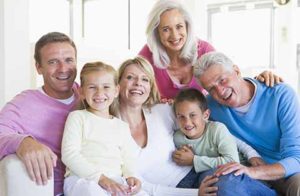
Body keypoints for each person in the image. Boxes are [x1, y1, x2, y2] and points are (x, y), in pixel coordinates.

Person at [117, 56, 276, 196]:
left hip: (201, 173)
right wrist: (194, 194)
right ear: (117, 84)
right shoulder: (110, 131)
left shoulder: (162, 111)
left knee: (226, 181)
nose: (138, 83)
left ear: (150, 86)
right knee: (223, 188)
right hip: (172, 191)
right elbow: (139, 185)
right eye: (130, 77)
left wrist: (251, 153)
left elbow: (212, 127)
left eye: (145, 79)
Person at [194, 51, 300, 196]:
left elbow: (296, 158)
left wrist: (254, 172)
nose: (220, 91)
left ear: (236, 71)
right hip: (250, 175)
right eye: (211, 89)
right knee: (221, 183)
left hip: (286, 172)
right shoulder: (210, 107)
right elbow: (185, 113)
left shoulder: (281, 95)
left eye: (222, 80)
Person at [139, 0, 281, 102]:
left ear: (187, 26)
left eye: (179, 26)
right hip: (166, 121)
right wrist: (156, 103)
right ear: (156, 32)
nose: (175, 35)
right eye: (165, 29)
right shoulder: (147, 54)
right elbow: (133, 84)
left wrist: (259, 82)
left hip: (203, 121)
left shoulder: (204, 49)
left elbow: (230, 79)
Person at [0, 32, 79, 196]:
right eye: (53, 62)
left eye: (69, 60)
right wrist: (23, 142)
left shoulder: (91, 94)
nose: (63, 69)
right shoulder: (23, 104)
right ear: (38, 67)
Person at [61, 61, 144, 196]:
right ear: (81, 91)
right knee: (92, 192)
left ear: (116, 91)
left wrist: (132, 176)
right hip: (82, 180)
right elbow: (70, 155)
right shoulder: (77, 117)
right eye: (92, 87)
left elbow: (129, 158)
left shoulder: (121, 126)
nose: (99, 93)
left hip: (114, 180)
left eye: (106, 87)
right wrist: (101, 179)